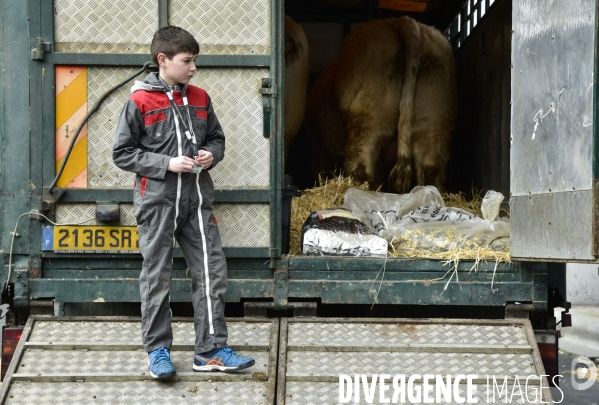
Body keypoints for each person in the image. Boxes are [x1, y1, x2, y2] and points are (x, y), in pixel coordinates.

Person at [113, 26, 254, 379]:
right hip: (157, 204)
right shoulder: (140, 101)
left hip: (197, 201)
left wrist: (211, 154)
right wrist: (165, 164)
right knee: (157, 277)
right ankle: (158, 351)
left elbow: (218, 137)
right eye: (187, 61)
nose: (193, 68)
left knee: (211, 272)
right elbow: (122, 152)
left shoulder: (202, 98)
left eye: (195, 61)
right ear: (163, 60)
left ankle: (209, 350)